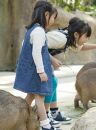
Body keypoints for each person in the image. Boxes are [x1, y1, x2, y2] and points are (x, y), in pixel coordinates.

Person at [44, 17, 96, 124]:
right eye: (86, 37)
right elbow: (36, 45)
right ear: (76, 35)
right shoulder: (61, 38)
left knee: (53, 82)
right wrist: (52, 59)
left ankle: (53, 112)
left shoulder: (71, 40)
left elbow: (82, 47)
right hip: (32, 59)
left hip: (43, 59)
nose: (87, 40)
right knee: (51, 83)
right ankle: (45, 116)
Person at [13, 1, 59, 130]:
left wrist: (51, 60)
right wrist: (41, 71)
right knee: (40, 96)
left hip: (31, 70)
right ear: (46, 14)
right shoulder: (39, 31)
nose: (54, 20)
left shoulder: (32, 30)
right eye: (53, 17)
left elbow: (28, 48)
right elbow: (36, 53)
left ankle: (19, 117)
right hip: (36, 71)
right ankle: (45, 125)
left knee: (31, 96)